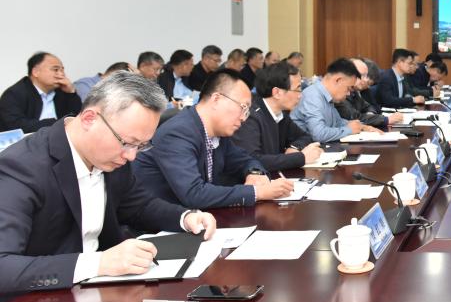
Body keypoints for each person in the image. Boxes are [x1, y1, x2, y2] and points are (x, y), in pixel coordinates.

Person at [0, 71, 217, 302]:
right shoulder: (22, 168)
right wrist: (98, 262)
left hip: (91, 295)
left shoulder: (110, 158)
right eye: (127, 143)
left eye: (141, 146)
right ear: (90, 118)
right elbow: (3, 266)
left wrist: (185, 217)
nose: (131, 157)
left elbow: (138, 204)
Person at [132, 69, 293, 209]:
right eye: (243, 108)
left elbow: (245, 159)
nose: (244, 118)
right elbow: (194, 194)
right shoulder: (177, 133)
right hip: (159, 226)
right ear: (216, 99)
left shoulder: (217, 133)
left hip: (198, 218)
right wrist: (257, 192)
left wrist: (255, 173)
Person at [232, 62, 322, 171]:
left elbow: (305, 136)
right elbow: (253, 160)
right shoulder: (250, 116)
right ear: (277, 92)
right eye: (298, 89)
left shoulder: (281, 114)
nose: (300, 95)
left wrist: (294, 148)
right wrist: (300, 158)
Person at [0, 52, 83, 133]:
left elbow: (78, 119)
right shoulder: (13, 94)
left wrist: (71, 93)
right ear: (35, 72)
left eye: (62, 70)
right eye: (56, 69)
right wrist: (57, 123)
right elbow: (15, 126)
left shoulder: (62, 91)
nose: (61, 74)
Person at [291, 57, 367, 142]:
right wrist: (349, 130)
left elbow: (337, 122)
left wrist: (361, 126)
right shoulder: (313, 96)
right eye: (348, 88)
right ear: (338, 80)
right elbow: (319, 134)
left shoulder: (327, 97)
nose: (348, 93)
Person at [336, 58, 401, 130]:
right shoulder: (339, 92)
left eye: (366, 75)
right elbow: (354, 117)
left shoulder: (354, 91)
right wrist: (386, 120)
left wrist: (370, 114)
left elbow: (368, 106)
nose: (365, 79)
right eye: (362, 75)